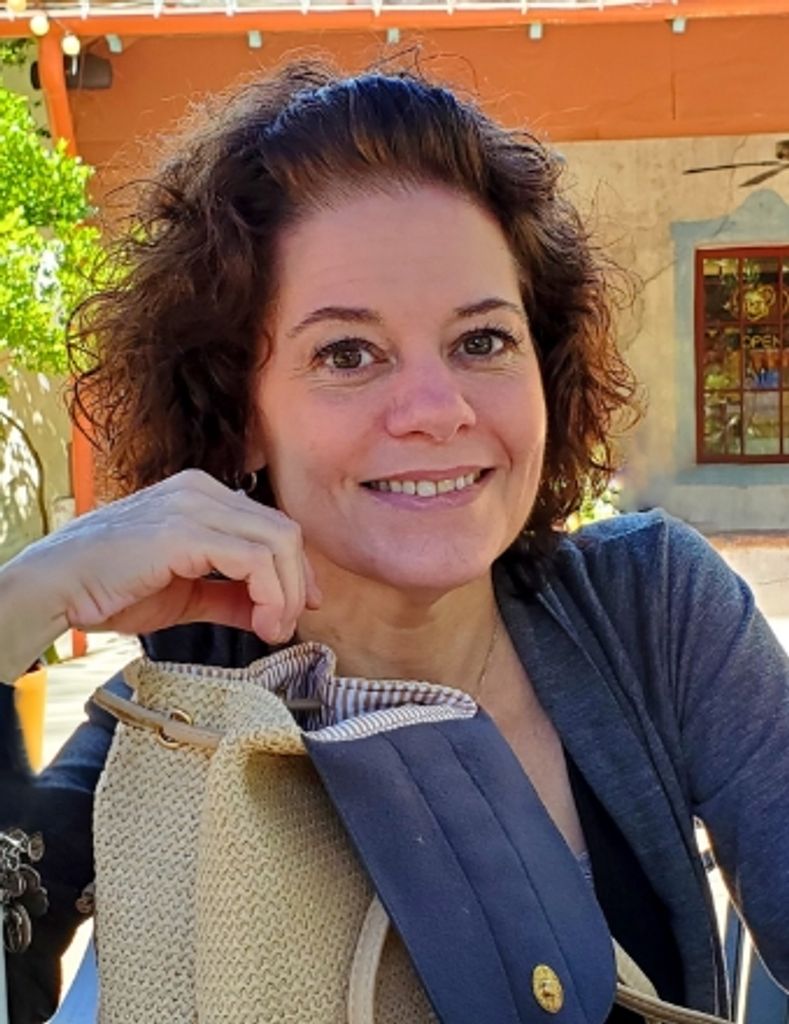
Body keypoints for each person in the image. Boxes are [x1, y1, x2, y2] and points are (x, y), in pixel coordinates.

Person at [1, 57, 789, 1024]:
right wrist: (19, 603)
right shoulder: (181, 709)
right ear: (241, 415)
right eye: (347, 353)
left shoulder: (651, 615)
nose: (435, 409)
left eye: (481, 341)